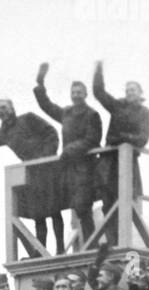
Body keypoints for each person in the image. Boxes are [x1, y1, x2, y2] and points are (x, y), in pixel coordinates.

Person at [0, 97, 64, 253]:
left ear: (12, 108)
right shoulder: (5, 133)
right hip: (32, 173)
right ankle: (41, 251)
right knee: (38, 214)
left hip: (48, 168)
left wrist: (47, 155)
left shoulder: (28, 118)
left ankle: (60, 248)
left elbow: (51, 132)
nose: (1, 111)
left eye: (3, 107)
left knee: (54, 209)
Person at [33, 66, 103, 245]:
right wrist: (40, 82)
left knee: (82, 206)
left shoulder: (91, 115)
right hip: (69, 170)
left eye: (80, 92)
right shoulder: (66, 113)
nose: (76, 95)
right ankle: (82, 244)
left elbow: (92, 139)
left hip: (85, 168)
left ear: (85, 94)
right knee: (75, 207)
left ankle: (91, 244)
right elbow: (46, 106)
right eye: (74, 92)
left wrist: (70, 150)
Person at [92, 62, 149, 243]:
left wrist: (121, 138)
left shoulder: (146, 113)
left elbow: (142, 139)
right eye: (127, 89)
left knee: (125, 201)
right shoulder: (118, 106)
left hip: (127, 162)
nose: (129, 92)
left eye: (133, 89)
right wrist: (99, 69)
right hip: (110, 160)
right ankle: (112, 241)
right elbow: (99, 92)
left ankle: (124, 241)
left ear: (140, 93)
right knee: (107, 202)